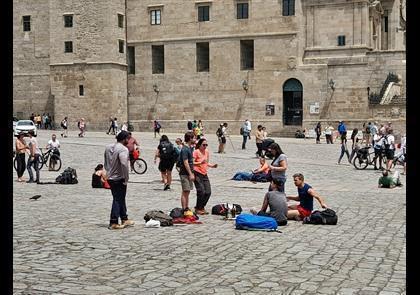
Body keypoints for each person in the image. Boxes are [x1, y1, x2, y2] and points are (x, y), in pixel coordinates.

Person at [104, 130, 134, 230]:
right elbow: (124, 164)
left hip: (110, 177)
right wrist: (126, 177)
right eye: (128, 139)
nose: (129, 141)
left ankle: (124, 218)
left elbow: (106, 162)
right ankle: (113, 221)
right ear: (125, 139)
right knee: (117, 199)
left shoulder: (108, 147)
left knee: (120, 198)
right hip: (119, 178)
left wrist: (108, 173)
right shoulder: (123, 149)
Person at [193, 138, 218, 215]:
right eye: (204, 145)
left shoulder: (206, 152)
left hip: (204, 173)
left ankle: (201, 207)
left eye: (206, 145)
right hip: (197, 172)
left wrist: (212, 166)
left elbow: (206, 163)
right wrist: (200, 162)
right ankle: (198, 208)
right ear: (200, 145)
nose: (205, 146)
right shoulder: (196, 152)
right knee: (201, 191)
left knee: (208, 192)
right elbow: (192, 162)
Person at [179, 131, 195, 212]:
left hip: (188, 173)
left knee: (187, 191)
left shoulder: (189, 148)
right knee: (185, 191)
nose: (195, 139)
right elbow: (185, 162)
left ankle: (186, 207)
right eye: (194, 137)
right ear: (190, 138)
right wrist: (190, 173)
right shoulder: (185, 149)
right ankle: (184, 208)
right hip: (185, 173)